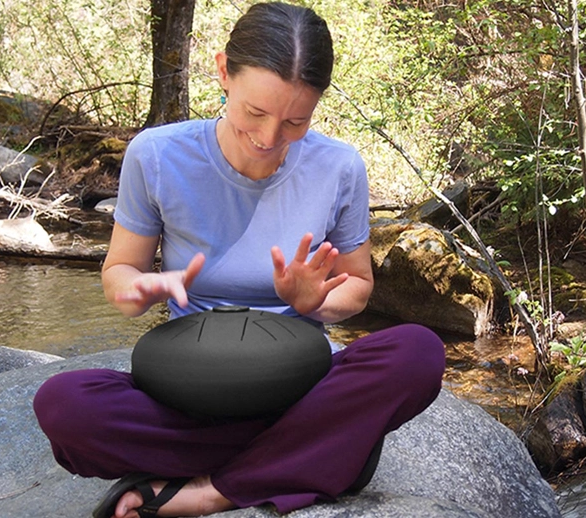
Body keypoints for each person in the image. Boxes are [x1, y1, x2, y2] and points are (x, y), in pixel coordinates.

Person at [33, 3, 446, 517]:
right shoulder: (157, 155)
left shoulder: (338, 167)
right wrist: (134, 289)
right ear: (223, 70)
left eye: (296, 120)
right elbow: (120, 270)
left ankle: (209, 492)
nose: (270, 138)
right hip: (191, 386)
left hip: (301, 384)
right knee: (64, 407)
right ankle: (316, 452)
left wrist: (313, 301)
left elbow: (357, 285)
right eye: (255, 112)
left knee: (418, 352)